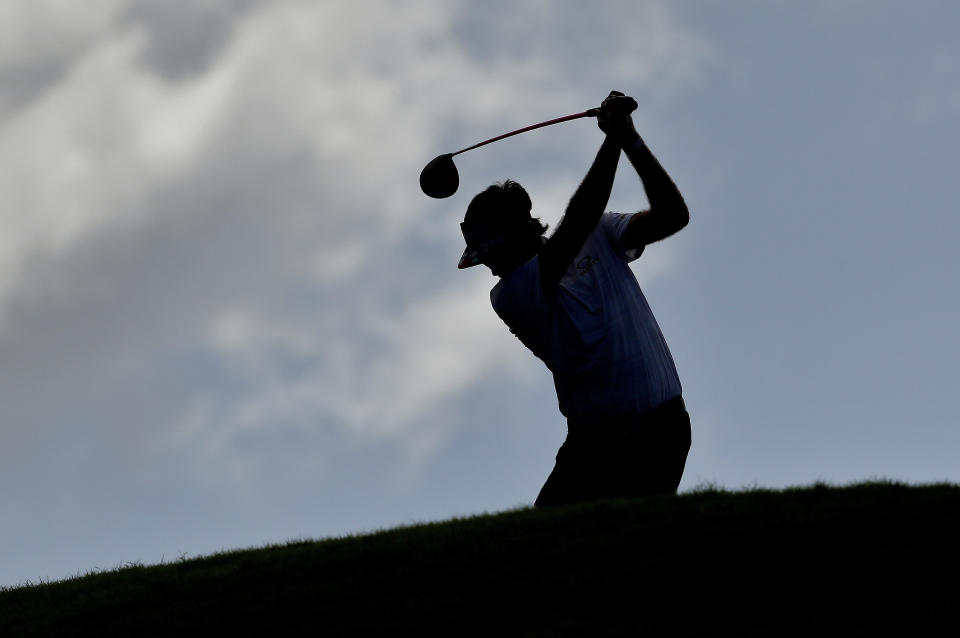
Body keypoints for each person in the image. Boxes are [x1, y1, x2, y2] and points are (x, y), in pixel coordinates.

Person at [457, 91, 691, 507]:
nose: (489, 269)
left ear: (515, 235)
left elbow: (673, 215)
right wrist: (613, 137)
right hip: (593, 446)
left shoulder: (601, 232)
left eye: (489, 255)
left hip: (662, 432)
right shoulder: (510, 295)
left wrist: (631, 142)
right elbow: (577, 221)